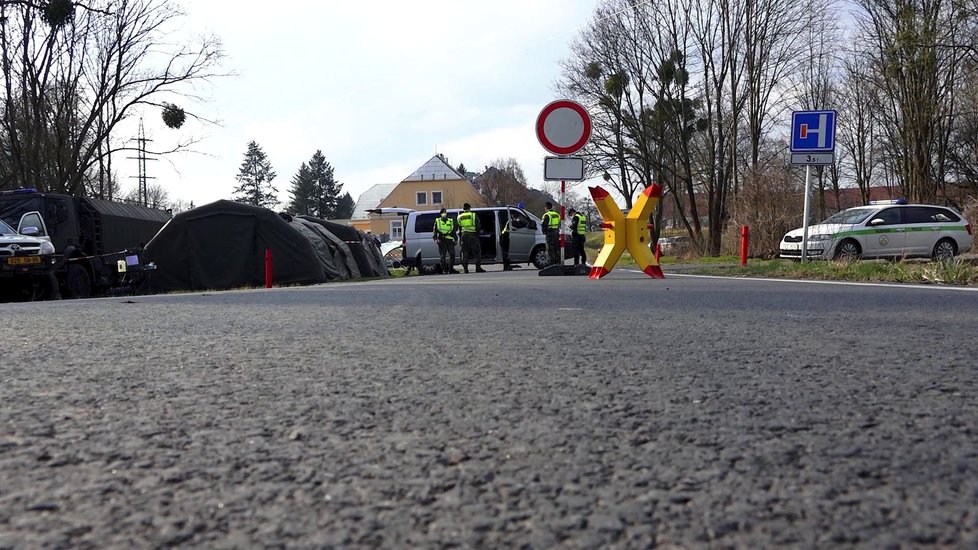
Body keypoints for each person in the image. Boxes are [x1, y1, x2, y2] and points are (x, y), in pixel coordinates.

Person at [456, 203, 486, 273]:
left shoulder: (459, 216)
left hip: (464, 236)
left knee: (465, 253)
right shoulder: (473, 215)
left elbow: (459, 227)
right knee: (476, 252)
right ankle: (478, 268)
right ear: (469, 208)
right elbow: (478, 226)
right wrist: (477, 234)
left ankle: (465, 269)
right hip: (472, 235)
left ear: (463, 209)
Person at [432, 208, 457, 274]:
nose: (444, 214)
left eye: (445, 212)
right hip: (441, 240)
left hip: (450, 240)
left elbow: (453, 230)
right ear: (440, 214)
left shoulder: (450, 220)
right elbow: (435, 231)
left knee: (452, 255)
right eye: (443, 213)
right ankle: (445, 269)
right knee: (443, 256)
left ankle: (450, 269)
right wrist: (435, 239)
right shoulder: (438, 221)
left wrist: (456, 239)